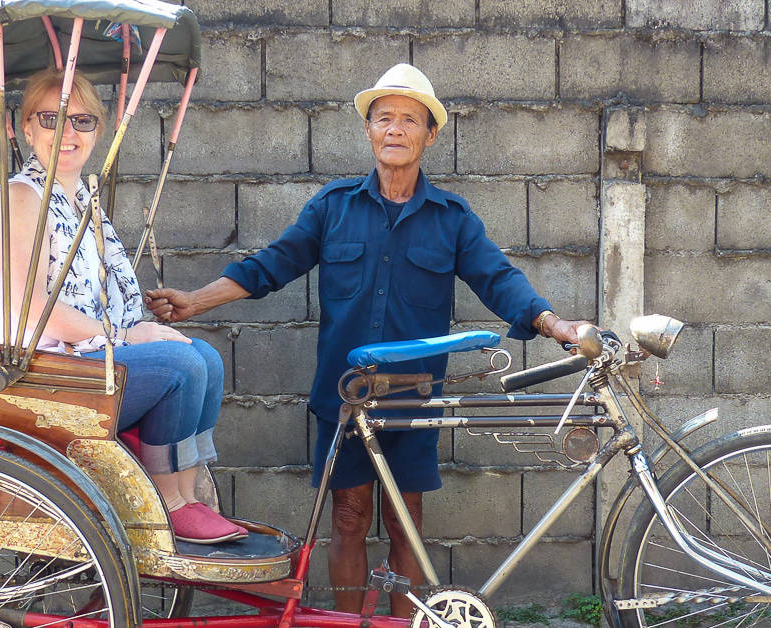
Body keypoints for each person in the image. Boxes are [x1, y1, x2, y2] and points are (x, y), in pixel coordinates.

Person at [146, 63, 591, 610]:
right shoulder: (334, 207)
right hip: (345, 395)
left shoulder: (452, 218)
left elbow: (499, 279)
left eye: (410, 120)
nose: (396, 130)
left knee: (406, 524)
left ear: (430, 134)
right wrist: (195, 300)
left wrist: (554, 324)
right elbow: (271, 266)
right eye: (385, 118)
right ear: (369, 130)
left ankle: (401, 624)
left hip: (412, 395)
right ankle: (348, 623)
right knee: (349, 517)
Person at [0, 68, 244, 544]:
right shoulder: (21, 199)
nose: (68, 132)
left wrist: (137, 326)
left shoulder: (79, 201)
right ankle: (166, 504)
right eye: (52, 118)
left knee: (205, 358)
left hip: (71, 362)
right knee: (182, 365)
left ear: (97, 131)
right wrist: (126, 336)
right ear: (26, 128)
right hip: (26, 376)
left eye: (83, 121)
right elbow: (32, 309)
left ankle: (189, 495)